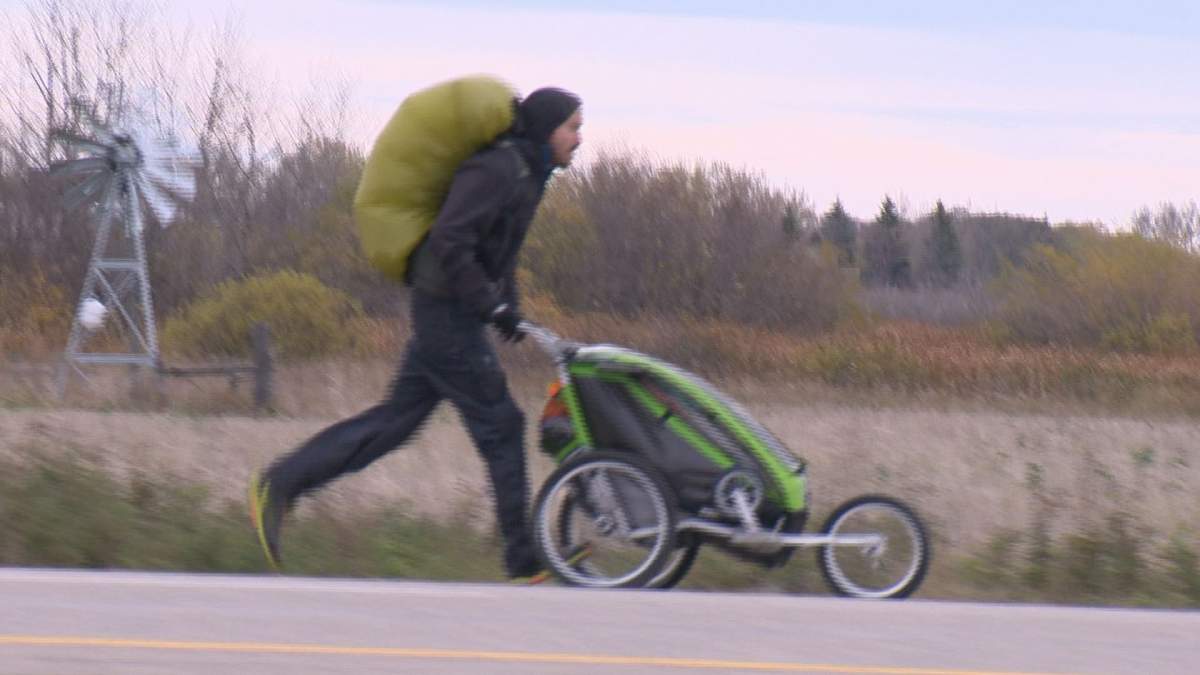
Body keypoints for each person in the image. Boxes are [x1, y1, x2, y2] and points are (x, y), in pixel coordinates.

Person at [249, 86, 583, 581]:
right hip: (445, 312)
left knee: (395, 422)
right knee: (503, 425)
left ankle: (279, 484)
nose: (579, 139)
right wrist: (488, 303)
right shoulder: (497, 169)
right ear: (547, 128)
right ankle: (523, 559)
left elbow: (501, 249)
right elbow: (450, 239)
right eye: (572, 128)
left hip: (451, 311)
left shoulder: (530, 175)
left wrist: (507, 306)